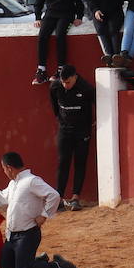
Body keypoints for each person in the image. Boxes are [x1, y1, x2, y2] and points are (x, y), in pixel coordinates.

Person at [0, 151, 79, 268]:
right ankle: (39, 260)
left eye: (4, 168)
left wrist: (43, 215)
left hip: (27, 235)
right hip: (12, 236)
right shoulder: (13, 183)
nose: (4, 172)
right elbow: (1, 196)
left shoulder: (31, 181)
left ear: (9, 168)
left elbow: (53, 195)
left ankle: (57, 265)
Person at [48, 64, 94, 212]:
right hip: (65, 130)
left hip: (82, 131)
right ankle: (59, 198)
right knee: (63, 162)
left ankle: (75, 198)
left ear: (75, 77)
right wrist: (60, 120)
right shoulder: (56, 87)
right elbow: (55, 107)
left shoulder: (86, 88)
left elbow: (99, 103)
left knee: (80, 162)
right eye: (63, 82)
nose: (65, 85)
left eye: (68, 82)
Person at [31, 0, 84, 85]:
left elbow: (77, 0)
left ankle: (61, 68)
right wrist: (38, 17)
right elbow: (39, 0)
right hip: (51, 12)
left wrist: (79, 16)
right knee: (43, 35)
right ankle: (41, 70)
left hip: (66, 13)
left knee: (60, 35)